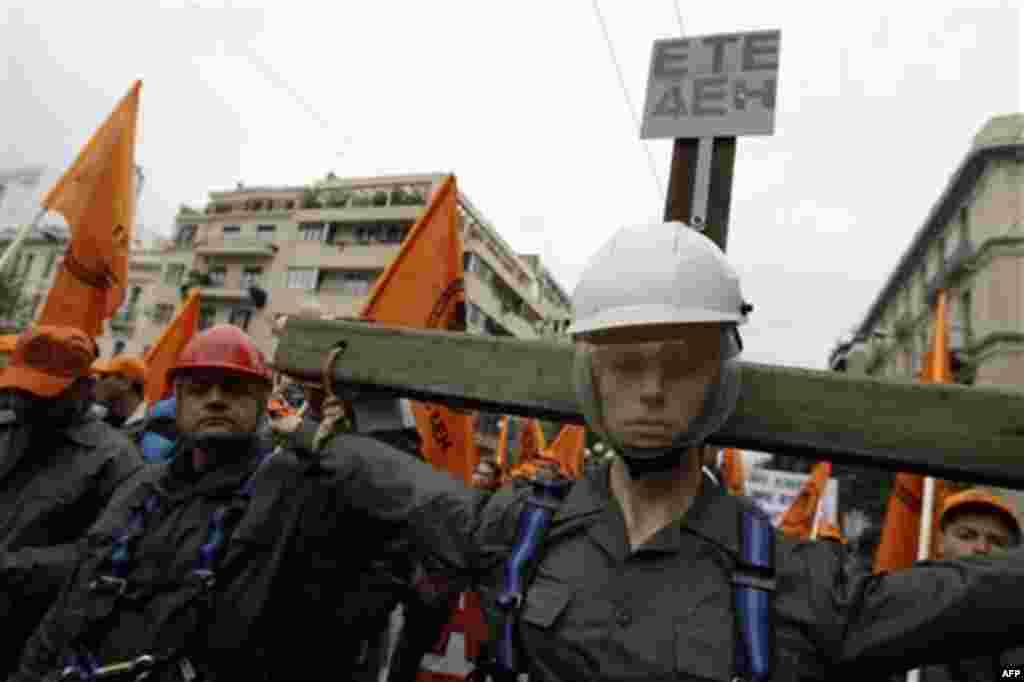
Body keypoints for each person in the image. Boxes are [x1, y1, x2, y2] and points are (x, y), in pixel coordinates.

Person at [281, 221, 1024, 681]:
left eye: (682, 364)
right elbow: (408, 490)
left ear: (720, 377)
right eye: (626, 364)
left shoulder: (794, 583)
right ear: (591, 375)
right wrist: (320, 434)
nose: (652, 389)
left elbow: (966, 597)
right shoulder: (519, 531)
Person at [11, 324, 418, 682]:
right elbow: (67, 609)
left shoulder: (298, 488)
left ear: (262, 400)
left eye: (234, 388)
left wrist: (374, 415)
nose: (216, 399)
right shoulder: (140, 487)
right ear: (179, 400)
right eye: (199, 389)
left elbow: (387, 542)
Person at [0, 326, 142, 679]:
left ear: (84, 389)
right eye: (19, 389)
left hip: (25, 636)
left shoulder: (117, 461)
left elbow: (103, 557)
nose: (23, 402)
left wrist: (13, 565)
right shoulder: (5, 428)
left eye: (42, 394)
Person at [908, 489, 1024, 682]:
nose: (981, 548)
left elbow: (1016, 674)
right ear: (940, 542)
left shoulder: (1017, 615)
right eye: (967, 536)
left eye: (997, 541)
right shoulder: (907, 604)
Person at [90, 356, 148, 433]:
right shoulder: (98, 414)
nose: (97, 380)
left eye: (104, 376)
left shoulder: (144, 427)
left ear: (126, 383)